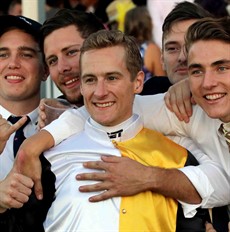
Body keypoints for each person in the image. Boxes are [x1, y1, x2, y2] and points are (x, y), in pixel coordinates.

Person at [16, 2, 229, 219]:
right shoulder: (170, 106)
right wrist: (35, 144)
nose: (183, 57)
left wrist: (148, 177)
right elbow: (104, 112)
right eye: (197, 70)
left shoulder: (184, 102)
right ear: (161, 56)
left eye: (221, 67)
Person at [43, 29, 209, 231]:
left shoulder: (178, 158)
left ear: (138, 82)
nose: (100, 92)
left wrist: (150, 178)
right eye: (90, 80)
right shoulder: (50, 157)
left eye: (112, 78)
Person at [0, 15, 55, 231]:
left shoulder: (65, 124)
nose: (13, 63)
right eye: (3, 54)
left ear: (45, 69)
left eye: (26, 54)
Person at [141, 0, 212, 95]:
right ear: (162, 59)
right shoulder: (145, 100)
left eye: (192, 46)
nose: (182, 57)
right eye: (172, 49)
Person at [40, 8, 105, 108]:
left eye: (71, 52)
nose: (62, 68)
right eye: (53, 60)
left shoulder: (137, 107)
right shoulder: (54, 118)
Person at [124, 6, 166, 82]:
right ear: (148, 23)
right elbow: (162, 81)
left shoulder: (121, 49)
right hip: (148, 93)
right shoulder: (151, 49)